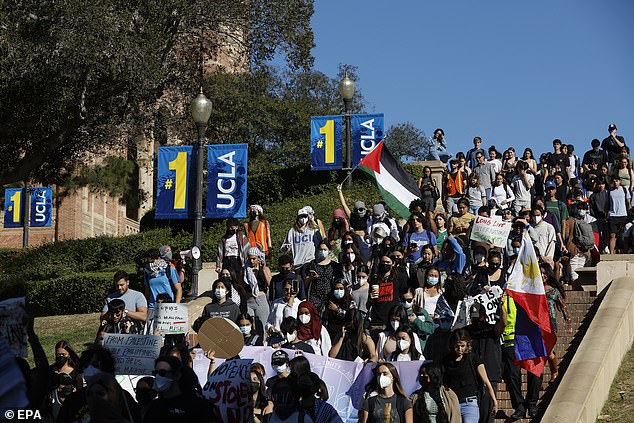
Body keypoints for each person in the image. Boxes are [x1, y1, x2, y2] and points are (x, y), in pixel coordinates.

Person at [501, 293, 541, 420]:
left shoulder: (532, 292)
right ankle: (519, 407)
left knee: (535, 372)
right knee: (512, 375)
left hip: (529, 338)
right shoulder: (505, 295)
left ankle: (532, 403)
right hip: (510, 339)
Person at [442, 329, 497, 423]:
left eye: (462, 346)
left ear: (467, 344)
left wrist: (494, 401)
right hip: (452, 404)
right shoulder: (446, 361)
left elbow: (486, 381)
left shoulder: (473, 358)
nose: (460, 349)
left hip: (469, 403)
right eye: (457, 346)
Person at [465, 303, 507, 423]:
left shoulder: (491, 329)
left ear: (484, 316)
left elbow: (504, 323)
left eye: (478, 317)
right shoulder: (466, 332)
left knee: (488, 414)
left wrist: (502, 307)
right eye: (474, 318)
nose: (476, 321)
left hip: (491, 375)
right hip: (472, 378)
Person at [142, 356, 214, 423]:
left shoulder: (198, 406)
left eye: (162, 373)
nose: (158, 377)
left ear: (177, 375)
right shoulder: (155, 406)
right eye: (155, 373)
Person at [540, 262, 571, 383]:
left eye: (544, 273)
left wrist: (568, 323)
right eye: (540, 273)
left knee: (548, 352)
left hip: (550, 324)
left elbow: (563, 307)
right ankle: (539, 379)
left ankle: (554, 371)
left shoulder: (553, 291)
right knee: (541, 352)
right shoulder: (535, 289)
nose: (542, 275)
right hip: (537, 324)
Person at [303, 241, 343, 313]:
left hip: (329, 296)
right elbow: (305, 282)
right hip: (314, 296)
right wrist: (312, 278)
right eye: (321, 249)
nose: (322, 251)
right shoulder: (312, 264)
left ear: (329, 251)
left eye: (325, 249)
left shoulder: (334, 265)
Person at [243, 247, 272, 328]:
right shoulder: (245, 270)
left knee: (262, 326)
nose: (251, 261)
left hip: (261, 299)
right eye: (250, 259)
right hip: (249, 300)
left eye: (254, 259)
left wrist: (263, 269)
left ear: (258, 258)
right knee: (249, 326)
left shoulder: (264, 269)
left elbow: (270, 283)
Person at [608, 176, 631, 253]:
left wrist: (629, 211)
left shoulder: (624, 190)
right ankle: (611, 253)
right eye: (614, 181)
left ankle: (624, 252)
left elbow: (628, 202)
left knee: (623, 236)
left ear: (620, 182)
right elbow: (607, 204)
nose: (615, 183)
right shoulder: (609, 191)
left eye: (617, 181)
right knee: (612, 235)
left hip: (623, 215)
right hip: (612, 215)